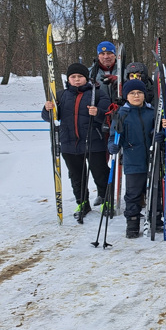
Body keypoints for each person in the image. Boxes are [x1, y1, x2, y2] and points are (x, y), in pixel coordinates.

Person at [42, 63, 111, 220]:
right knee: (76, 176)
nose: (77, 80)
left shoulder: (98, 94)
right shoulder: (60, 96)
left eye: (80, 77)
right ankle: (82, 203)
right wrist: (47, 109)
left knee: (100, 173)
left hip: (94, 141)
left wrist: (98, 112)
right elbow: (50, 118)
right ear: (68, 79)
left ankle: (106, 200)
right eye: (73, 77)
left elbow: (108, 115)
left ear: (86, 78)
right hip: (69, 143)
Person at [108, 79, 162, 238]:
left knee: (155, 191)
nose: (136, 96)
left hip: (153, 160)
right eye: (132, 93)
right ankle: (132, 222)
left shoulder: (152, 112)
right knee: (133, 194)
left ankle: (156, 219)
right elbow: (114, 136)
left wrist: (160, 136)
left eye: (139, 93)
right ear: (126, 96)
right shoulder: (122, 115)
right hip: (133, 160)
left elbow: (160, 130)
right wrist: (113, 145)